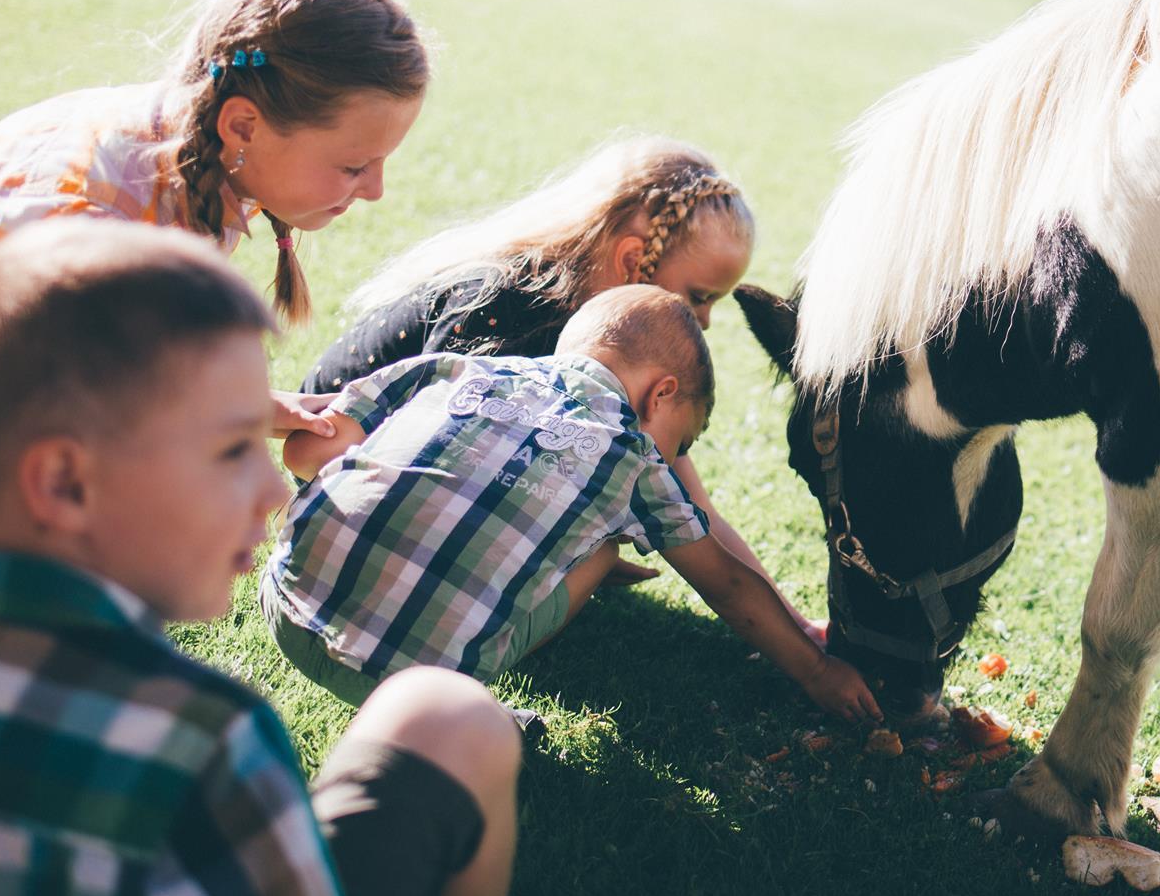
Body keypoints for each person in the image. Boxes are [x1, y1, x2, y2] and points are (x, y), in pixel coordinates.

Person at [0, 223, 518, 896]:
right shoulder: (199, 741)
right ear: (64, 482)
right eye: (232, 450)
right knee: (450, 715)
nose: (272, 490)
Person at [0, 0, 431, 577]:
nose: (375, 190)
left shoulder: (201, 161)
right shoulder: (79, 222)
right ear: (244, 127)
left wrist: (250, 406)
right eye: (354, 165)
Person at [265, 285, 881, 723]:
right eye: (681, 442)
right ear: (660, 395)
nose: (671, 457)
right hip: (420, 687)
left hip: (287, 607)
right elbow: (726, 583)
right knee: (605, 545)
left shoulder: (453, 369)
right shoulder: (634, 459)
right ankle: (480, 711)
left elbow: (311, 449)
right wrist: (817, 671)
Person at [303, 137, 809, 619]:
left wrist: (796, 624)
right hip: (342, 472)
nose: (704, 322)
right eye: (697, 297)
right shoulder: (504, 308)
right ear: (633, 260)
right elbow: (431, 453)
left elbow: (696, 510)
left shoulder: (619, 360)